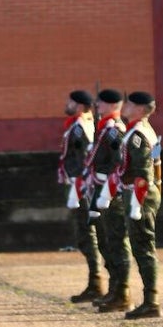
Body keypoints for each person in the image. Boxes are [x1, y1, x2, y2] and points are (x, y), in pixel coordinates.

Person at [118, 91, 162, 319]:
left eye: (130, 104)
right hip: (137, 192)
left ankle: (152, 300)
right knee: (140, 246)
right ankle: (149, 299)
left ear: (141, 109)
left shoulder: (137, 134)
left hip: (139, 194)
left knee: (143, 247)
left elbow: (144, 173)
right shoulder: (138, 129)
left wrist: (137, 202)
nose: (125, 107)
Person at [87, 89, 131, 314]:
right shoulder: (104, 127)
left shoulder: (114, 130)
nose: (97, 106)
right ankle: (114, 288)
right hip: (102, 189)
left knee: (116, 242)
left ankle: (121, 292)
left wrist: (104, 183)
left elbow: (118, 162)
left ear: (112, 105)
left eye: (101, 103)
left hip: (111, 193)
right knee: (107, 242)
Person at [59, 90, 102, 303]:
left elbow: (84, 158)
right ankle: (96, 281)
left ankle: (97, 281)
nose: (67, 104)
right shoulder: (84, 124)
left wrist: (78, 185)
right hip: (81, 186)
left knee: (86, 234)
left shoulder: (79, 128)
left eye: (71, 101)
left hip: (82, 187)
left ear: (79, 106)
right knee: (86, 234)